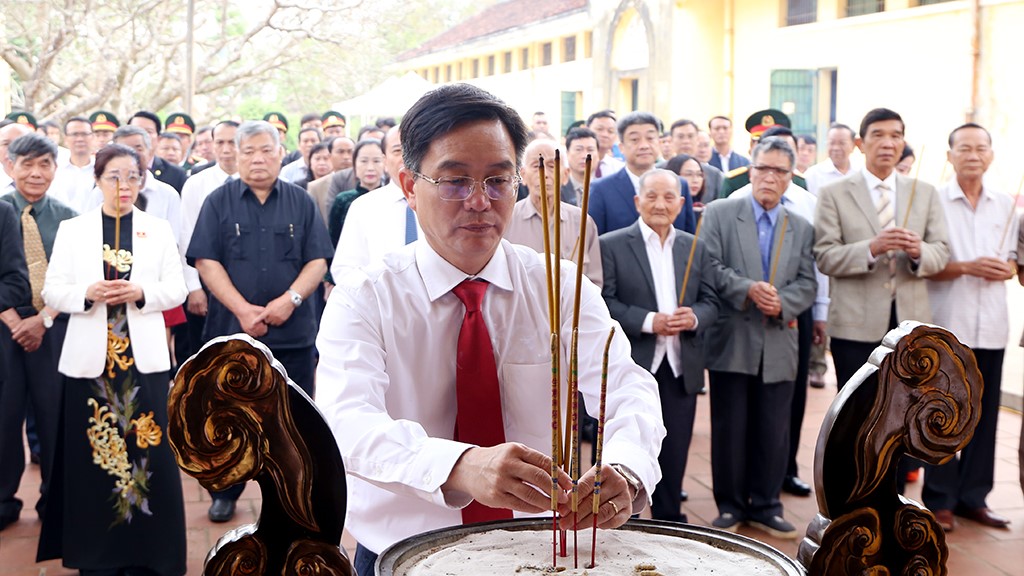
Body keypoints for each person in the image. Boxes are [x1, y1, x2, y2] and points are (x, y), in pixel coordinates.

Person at [314, 83, 665, 576]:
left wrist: (627, 468)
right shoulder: (365, 296)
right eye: (455, 181)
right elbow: (346, 422)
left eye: (498, 180)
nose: (480, 202)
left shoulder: (557, 284)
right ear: (410, 187)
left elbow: (625, 386)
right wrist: (460, 466)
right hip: (408, 552)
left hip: (541, 547)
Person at [37, 143, 187, 575]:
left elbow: (175, 289)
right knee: (94, 460)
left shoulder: (156, 229)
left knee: (150, 456)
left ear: (143, 180)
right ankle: (98, 557)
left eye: (132, 177)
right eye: (114, 177)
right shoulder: (73, 229)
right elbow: (53, 291)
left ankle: (152, 554)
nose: (124, 185)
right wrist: (87, 293)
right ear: (98, 180)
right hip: (91, 365)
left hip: (142, 363)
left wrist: (141, 292)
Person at [187, 120, 333, 522]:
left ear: (280, 151)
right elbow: (206, 261)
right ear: (235, 153)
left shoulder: (301, 201)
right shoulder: (217, 201)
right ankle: (226, 490)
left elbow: (318, 260)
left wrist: (292, 299)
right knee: (225, 417)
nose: (257, 158)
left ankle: (292, 493)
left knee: (293, 419)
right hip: (232, 333)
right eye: (248, 151)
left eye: (266, 150)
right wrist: (241, 310)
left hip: (293, 330)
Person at [700, 136, 817, 539]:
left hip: (779, 338)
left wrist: (783, 301)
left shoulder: (800, 225)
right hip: (733, 335)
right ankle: (730, 505)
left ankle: (767, 504)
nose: (769, 177)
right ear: (750, 172)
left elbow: (808, 281)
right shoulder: (720, 212)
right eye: (762, 169)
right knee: (730, 424)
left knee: (774, 426)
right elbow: (708, 266)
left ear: (790, 178)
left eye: (779, 171)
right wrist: (746, 288)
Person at [600, 169, 719, 524]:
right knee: (631, 444)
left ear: (681, 203)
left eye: (669, 197)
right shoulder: (612, 244)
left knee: (676, 446)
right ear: (637, 201)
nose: (660, 204)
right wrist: (650, 320)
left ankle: (669, 518)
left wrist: (694, 317)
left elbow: (711, 300)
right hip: (636, 363)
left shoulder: (694, 245)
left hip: (681, 364)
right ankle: (625, 518)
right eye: (651, 196)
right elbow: (605, 301)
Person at [813, 108, 950, 392]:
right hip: (854, 325)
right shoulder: (834, 193)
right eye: (878, 135)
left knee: (908, 412)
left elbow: (941, 253)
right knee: (855, 413)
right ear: (859, 144)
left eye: (895, 136)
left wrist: (918, 252)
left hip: (911, 327)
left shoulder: (924, 192)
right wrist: (871, 249)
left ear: (902, 143)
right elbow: (825, 256)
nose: (888, 143)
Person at [922, 123, 1014, 532]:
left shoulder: (1008, 206)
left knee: (985, 415)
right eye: (964, 148)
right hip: (947, 325)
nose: (973, 154)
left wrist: (1007, 269)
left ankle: (974, 497)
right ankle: (939, 498)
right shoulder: (933, 202)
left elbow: (1016, 262)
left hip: (992, 324)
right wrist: (965, 267)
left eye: (981, 148)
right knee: (942, 414)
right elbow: (921, 264)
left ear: (991, 156)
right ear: (950, 155)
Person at [0, 134, 77, 531]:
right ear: (8, 165)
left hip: (54, 326)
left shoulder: (69, 217)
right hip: (4, 328)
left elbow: (78, 276)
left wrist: (43, 319)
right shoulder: (1, 212)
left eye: (43, 164)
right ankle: (2, 500)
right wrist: (14, 320)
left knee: (55, 415)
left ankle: (55, 501)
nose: (35, 172)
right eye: (26, 163)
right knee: (4, 415)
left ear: (54, 168)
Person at [178, 120, 239, 368]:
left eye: (232, 142)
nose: (226, 149)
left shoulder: (255, 184)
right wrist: (193, 287)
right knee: (207, 361)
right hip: (205, 281)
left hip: (243, 281)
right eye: (220, 142)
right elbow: (186, 236)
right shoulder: (196, 183)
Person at [504, 138, 602, 287]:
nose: (545, 174)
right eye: (537, 166)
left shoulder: (582, 221)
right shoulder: (506, 219)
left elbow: (594, 282)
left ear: (565, 175)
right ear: (522, 175)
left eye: (552, 166)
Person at [331, 126, 418, 278]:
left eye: (413, 149)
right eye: (397, 151)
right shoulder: (363, 207)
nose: (406, 157)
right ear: (385, 159)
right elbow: (344, 270)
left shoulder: (443, 203)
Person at [588, 112, 696, 235]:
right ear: (621, 147)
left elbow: (688, 239)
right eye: (635, 140)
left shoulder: (680, 184)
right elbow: (594, 242)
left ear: (659, 142)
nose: (644, 146)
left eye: (650, 138)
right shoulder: (601, 189)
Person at [327, 139, 385, 248]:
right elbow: (333, 240)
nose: (370, 168)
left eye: (377, 161)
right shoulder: (343, 201)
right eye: (364, 161)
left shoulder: (391, 199)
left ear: (385, 163)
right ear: (354, 164)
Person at [128, 111, 187, 194]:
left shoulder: (176, 174)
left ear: (158, 139)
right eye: (136, 130)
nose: (142, 136)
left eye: (148, 131)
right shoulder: (109, 168)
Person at [49, 116, 96, 214]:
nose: (80, 139)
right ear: (65, 139)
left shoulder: (101, 170)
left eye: (84, 134)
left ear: (93, 137)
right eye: (74, 134)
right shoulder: (54, 170)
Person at [804, 123, 858, 197]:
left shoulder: (860, 173)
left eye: (842, 143)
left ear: (853, 146)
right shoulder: (812, 175)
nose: (836, 148)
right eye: (832, 143)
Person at [561, 127, 599, 206]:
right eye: (578, 150)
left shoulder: (606, 189)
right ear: (567, 153)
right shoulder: (557, 189)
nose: (585, 156)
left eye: (590, 150)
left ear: (598, 154)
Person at [587, 110, 624, 178]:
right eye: (599, 129)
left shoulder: (620, 169)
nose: (605, 134)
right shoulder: (572, 164)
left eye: (610, 131)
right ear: (587, 130)